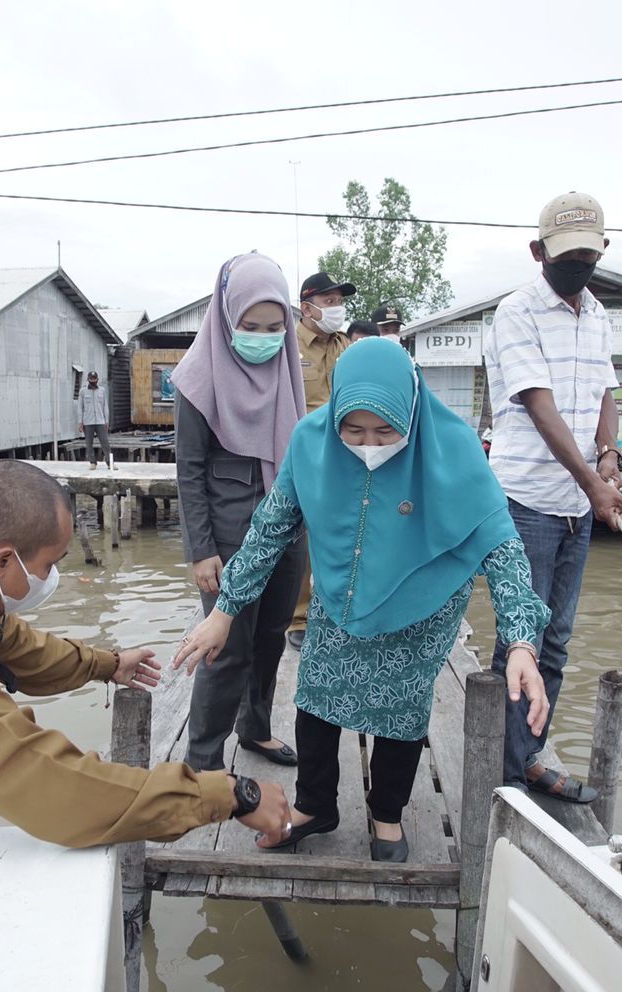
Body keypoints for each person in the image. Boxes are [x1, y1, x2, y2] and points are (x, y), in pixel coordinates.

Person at [174, 339, 553, 862]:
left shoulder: (455, 446)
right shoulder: (310, 442)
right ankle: (315, 805)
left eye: (385, 431)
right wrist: (224, 610)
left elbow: (502, 547)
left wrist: (520, 644)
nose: (369, 444)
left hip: (423, 600)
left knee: (400, 713)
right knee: (317, 699)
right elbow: (268, 531)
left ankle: (387, 814)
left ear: (412, 412)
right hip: (341, 592)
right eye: (353, 431)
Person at [0, 459, 292, 846]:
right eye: (49, 565)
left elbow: (22, 647)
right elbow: (49, 784)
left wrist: (106, 664)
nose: (51, 578)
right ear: (2, 560)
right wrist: (229, 794)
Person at [483, 190, 622, 803]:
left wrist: (609, 455)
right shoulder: (516, 313)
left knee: (559, 638)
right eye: (565, 257)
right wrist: (593, 484)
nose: (577, 268)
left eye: (587, 257)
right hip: (526, 499)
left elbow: (605, 392)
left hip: (577, 504)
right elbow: (538, 402)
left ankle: (530, 755)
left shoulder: (597, 313)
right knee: (519, 634)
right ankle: (504, 769)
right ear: (537, 252)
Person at [172, 253, 306, 771]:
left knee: (271, 638)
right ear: (227, 318)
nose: (264, 337)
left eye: (276, 327)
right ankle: (202, 760)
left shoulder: (285, 370)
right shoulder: (197, 378)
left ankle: (256, 729)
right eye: (251, 326)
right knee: (223, 648)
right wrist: (200, 550)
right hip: (225, 536)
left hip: (286, 530)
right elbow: (188, 468)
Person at [287, 271, 356, 650]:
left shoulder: (346, 346)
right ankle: (299, 617)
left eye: (339, 302)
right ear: (307, 306)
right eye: (329, 302)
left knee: (344, 536)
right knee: (301, 537)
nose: (337, 309)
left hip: (347, 454)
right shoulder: (288, 345)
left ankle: (337, 613)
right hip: (305, 454)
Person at [78, 371, 112, 470]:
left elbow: (105, 406)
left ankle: (110, 462)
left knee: (105, 442)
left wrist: (107, 420)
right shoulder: (83, 391)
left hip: (100, 421)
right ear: (88, 379)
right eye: (91, 379)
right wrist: (80, 422)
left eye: (94, 379)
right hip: (88, 421)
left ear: (97, 379)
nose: (93, 381)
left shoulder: (102, 390)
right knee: (89, 443)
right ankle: (93, 462)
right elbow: (80, 408)